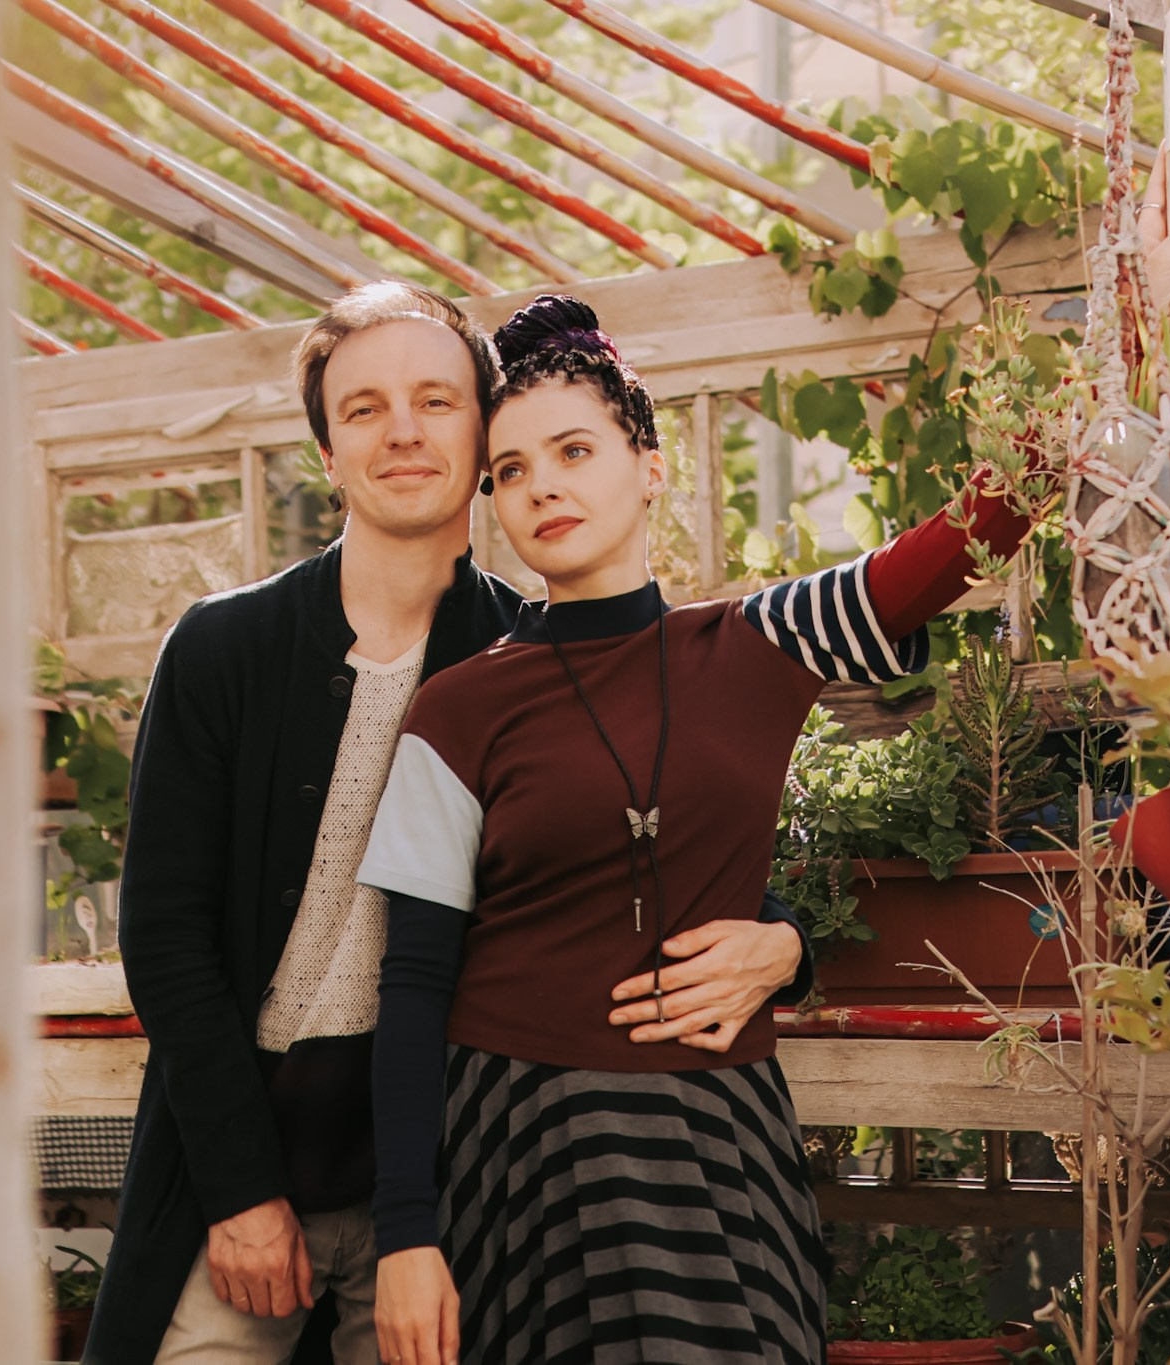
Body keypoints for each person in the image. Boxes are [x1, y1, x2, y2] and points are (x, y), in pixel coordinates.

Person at [83, 281, 816, 1365]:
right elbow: (165, 939)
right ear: (326, 453)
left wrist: (788, 943)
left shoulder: (533, 657)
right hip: (235, 1167)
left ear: (482, 441)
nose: (403, 431)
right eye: (363, 408)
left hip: (439, 1180)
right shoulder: (220, 650)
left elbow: (636, 853)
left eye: (435, 399)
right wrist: (240, 1193)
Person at [358, 295, 1042, 1365]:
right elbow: (408, 982)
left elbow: (949, 552)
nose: (542, 485)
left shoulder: (756, 643)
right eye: (510, 470)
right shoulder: (456, 708)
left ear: (650, 463)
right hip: (525, 1139)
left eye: (573, 449)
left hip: (719, 1128)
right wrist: (404, 1233)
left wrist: (1064, 425)